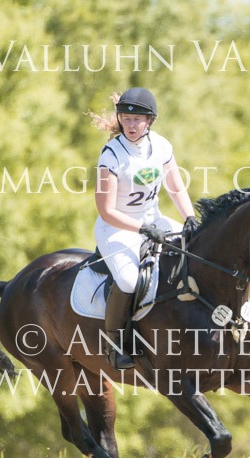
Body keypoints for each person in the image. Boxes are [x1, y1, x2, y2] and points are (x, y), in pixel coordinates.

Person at [92, 87, 198, 370]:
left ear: (149, 121)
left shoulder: (161, 146)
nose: (130, 125)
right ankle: (114, 344)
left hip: (154, 221)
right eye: (126, 119)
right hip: (116, 228)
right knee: (129, 280)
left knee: (196, 249)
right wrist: (142, 228)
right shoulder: (111, 155)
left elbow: (175, 187)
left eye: (137, 120)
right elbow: (106, 210)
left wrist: (189, 217)